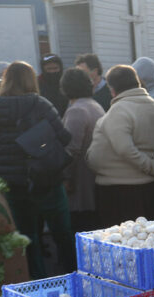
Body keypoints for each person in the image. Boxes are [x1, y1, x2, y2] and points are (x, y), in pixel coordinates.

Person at [0, 61, 74, 278]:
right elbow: (65, 137)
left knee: (27, 237)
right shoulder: (40, 104)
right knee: (62, 234)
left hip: (12, 183)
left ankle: (36, 285)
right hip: (46, 178)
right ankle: (73, 278)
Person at [86, 65, 154, 228]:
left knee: (127, 247)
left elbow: (125, 149)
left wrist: (153, 167)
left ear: (112, 89)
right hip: (153, 189)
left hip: (123, 193)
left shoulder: (119, 111)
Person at [60, 67, 104, 233]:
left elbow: (71, 149)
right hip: (93, 175)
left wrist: (65, 177)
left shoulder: (77, 110)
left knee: (81, 228)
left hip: (80, 180)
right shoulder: (94, 105)